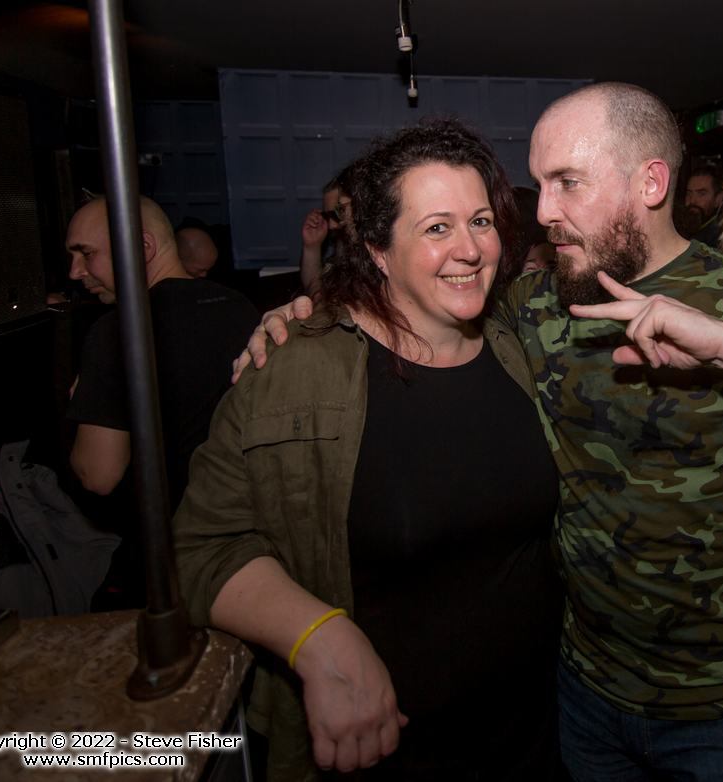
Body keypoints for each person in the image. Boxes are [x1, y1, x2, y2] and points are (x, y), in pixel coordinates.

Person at [237, 83, 723, 782]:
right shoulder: (535, 300)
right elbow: (414, 303)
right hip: (583, 688)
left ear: (650, 184)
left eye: (567, 182)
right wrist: (311, 320)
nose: (543, 211)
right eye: (540, 184)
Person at [173, 119, 563, 781]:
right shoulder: (297, 369)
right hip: (381, 746)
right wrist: (316, 636)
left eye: (480, 221)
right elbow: (201, 547)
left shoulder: (517, 339)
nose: (470, 249)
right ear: (378, 249)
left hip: (534, 731)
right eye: (436, 227)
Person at [66, 196, 259, 510]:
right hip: (236, 510)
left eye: (87, 253)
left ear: (143, 247)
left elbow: (98, 475)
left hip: (167, 526)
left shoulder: (120, 329)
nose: (75, 271)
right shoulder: (238, 304)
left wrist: (83, 404)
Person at [298, 176, 350, 299]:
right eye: (327, 216)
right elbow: (317, 295)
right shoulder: (342, 250)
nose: (331, 225)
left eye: (338, 213)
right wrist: (312, 246)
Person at [683, 164, 723, 247]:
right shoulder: (685, 230)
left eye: (701, 194)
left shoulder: (721, 240)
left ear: (718, 199)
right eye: (689, 193)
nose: (692, 201)